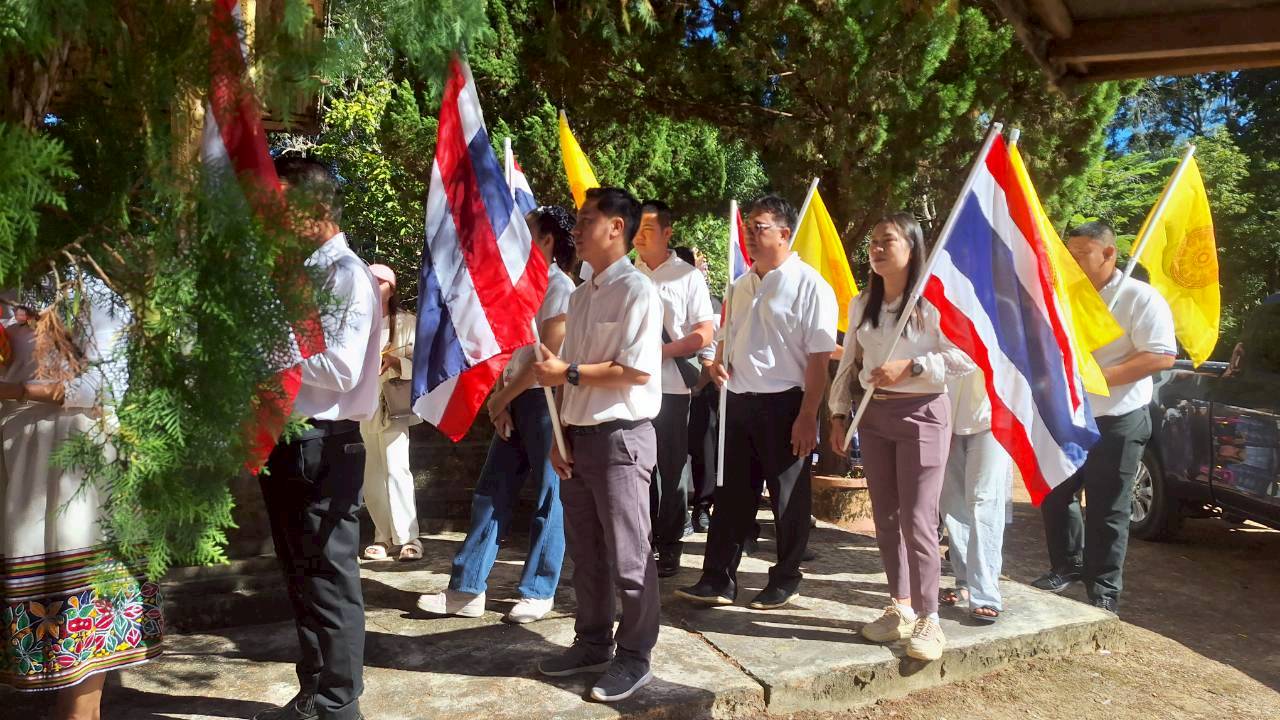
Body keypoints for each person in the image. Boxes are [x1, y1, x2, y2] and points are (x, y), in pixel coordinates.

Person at [0, 275, 164, 719]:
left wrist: (14, 391)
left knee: (82, 604)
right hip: (14, 452)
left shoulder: (94, 291)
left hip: (75, 456)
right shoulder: (11, 282)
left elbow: (106, 384)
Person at [254, 157, 382, 720]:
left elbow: (341, 369)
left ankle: (337, 704)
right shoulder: (303, 274)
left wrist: (269, 349)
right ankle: (315, 694)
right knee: (300, 575)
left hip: (323, 443)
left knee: (329, 579)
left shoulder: (345, 274)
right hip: (290, 438)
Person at [532, 187, 662, 703]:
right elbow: (569, 379)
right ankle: (591, 643)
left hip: (621, 439)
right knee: (586, 555)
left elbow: (634, 371)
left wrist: (568, 372)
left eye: (588, 221)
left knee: (630, 556)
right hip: (579, 440)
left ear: (617, 229)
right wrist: (559, 435)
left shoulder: (637, 291)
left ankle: (635, 656)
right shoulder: (580, 294)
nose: (578, 230)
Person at [676, 194, 837, 611]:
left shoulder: (810, 285)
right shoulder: (741, 284)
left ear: (785, 233)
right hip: (738, 403)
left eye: (760, 226)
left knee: (787, 499)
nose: (750, 231)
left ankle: (786, 578)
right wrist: (716, 367)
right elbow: (728, 337)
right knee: (731, 494)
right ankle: (718, 579)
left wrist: (807, 416)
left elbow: (819, 358)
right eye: (748, 225)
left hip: (786, 404)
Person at [416, 205, 576, 624]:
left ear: (547, 242)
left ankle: (539, 590)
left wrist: (503, 399)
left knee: (548, 496)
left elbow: (549, 356)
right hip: (514, 399)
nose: (515, 241)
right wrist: (501, 398)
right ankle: (467, 587)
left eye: (527, 233)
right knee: (492, 491)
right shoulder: (518, 288)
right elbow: (508, 350)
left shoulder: (559, 286)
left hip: (546, 402)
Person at [829, 212, 972, 661]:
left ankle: (931, 618)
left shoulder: (934, 301)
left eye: (886, 240)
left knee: (917, 518)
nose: (875, 248)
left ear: (912, 248)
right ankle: (901, 607)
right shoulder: (862, 302)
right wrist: (837, 411)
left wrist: (910, 367)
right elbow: (850, 360)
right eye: (871, 241)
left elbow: (962, 356)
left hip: (924, 414)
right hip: (874, 417)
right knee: (886, 517)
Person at [1032, 221, 1175, 613]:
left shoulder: (1139, 298)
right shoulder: (1063, 297)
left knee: (1108, 506)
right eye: (1069, 255)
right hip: (1068, 415)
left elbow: (1161, 354)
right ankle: (1066, 565)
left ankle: (1104, 586)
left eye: (1081, 255)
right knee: (1056, 493)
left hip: (1118, 417)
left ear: (1108, 253)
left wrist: (1096, 379)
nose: (1073, 263)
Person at [633, 201, 715, 577]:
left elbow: (703, 333)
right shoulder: (624, 273)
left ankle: (669, 544)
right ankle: (639, 539)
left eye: (649, 228)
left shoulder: (687, 277)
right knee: (635, 467)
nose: (640, 234)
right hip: (627, 387)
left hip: (670, 389)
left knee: (670, 469)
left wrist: (661, 352)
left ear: (667, 233)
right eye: (637, 227)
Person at [359, 263, 422, 562]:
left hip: (394, 405)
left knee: (397, 469)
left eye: (379, 281)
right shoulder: (356, 322)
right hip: (363, 406)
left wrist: (398, 364)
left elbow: (424, 365)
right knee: (371, 474)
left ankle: (409, 538)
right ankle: (382, 538)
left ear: (391, 288)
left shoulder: (408, 323)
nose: (373, 284)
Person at [939, 368, 1011, 624]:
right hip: (944, 414)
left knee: (984, 502)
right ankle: (965, 581)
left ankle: (986, 594)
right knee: (951, 504)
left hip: (994, 413)